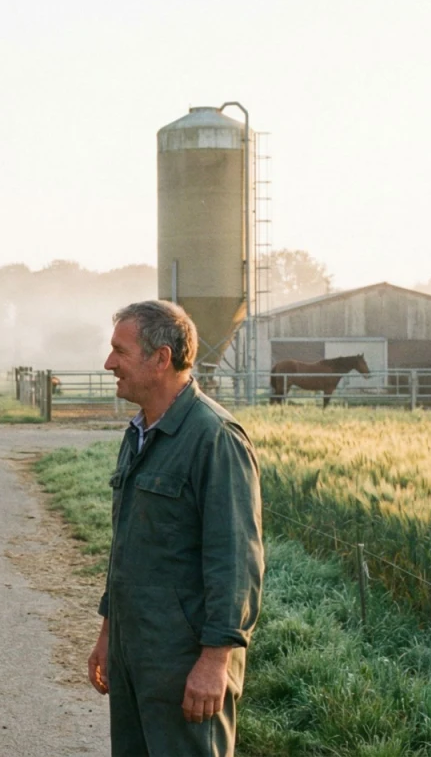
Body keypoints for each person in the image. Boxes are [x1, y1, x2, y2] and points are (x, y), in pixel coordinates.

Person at [87, 301, 264, 757]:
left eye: (119, 352)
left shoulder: (215, 437)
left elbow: (236, 562)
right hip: (134, 651)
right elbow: (129, 545)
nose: (109, 364)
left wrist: (215, 661)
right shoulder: (141, 433)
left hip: (184, 659)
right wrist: (110, 634)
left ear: (161, 358)